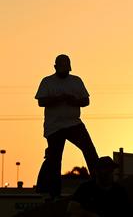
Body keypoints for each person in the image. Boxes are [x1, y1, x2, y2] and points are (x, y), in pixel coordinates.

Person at [35, 54, 99, 199]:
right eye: (61, 65)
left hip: (74, 124)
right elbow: (41, 102)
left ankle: (98, 183)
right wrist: (58, 99)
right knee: (55, 160)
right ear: (56, 67)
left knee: (89, 150)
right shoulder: (47, 82)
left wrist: (73, 100)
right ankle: (54, 194)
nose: (64, 68)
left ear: (70, 66)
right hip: (54, 128)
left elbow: (86, 101)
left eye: (66, 65)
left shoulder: (76, 81)